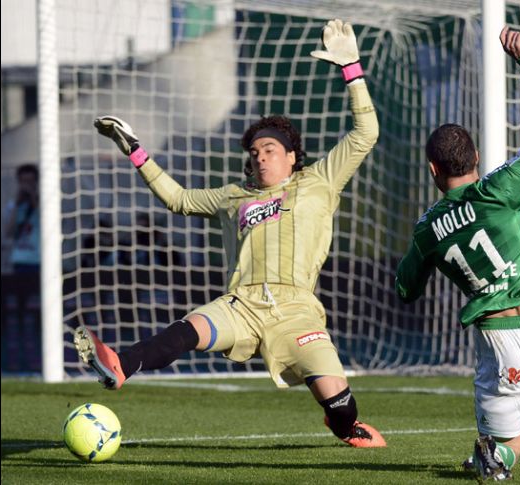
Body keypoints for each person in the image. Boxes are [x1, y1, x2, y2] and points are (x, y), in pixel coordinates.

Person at [74, 19, 386, 448]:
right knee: (187, 329)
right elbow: (179, 199)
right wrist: (135, 151)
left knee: (342, 409)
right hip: (240, 305)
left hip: (297, 312)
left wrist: (351, 68)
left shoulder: (319, 180)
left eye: (270, 149)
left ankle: (346, 426)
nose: (260, 158)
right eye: (254, 152)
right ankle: (120, 365)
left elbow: (366, 132)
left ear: (292, 155)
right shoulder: (234, 196)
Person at [395, 27, 520, 480]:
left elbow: (405, 290)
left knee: (502, 446)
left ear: (433, 169)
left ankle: (496, 458)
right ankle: (500, 447)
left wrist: (425, 250)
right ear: (476, 156)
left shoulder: (427, 230)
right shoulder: (499, 190)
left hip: (504, 344)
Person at [4, 163, 40, 273]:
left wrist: (33, 199)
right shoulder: (12, 206)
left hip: (39, 259)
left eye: (30, 181)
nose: (27, 186)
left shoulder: (45, 205)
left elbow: (46, 224)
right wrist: (17, 205)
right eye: (24, 182)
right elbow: (8, 233)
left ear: (36, 182)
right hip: (20, 259)